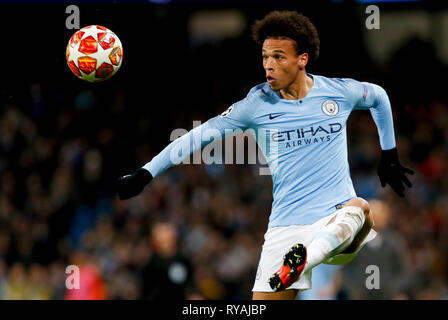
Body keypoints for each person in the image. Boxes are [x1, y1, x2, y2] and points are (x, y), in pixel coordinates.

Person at [116, 10, 413, 300]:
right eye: (265, 57)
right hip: (286, 225)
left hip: (334, 220)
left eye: (278, 57)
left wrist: (389, 153)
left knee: (359, 208)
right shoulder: (256, 105)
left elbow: (378, 96)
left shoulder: (337, 93)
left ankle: (305, 259)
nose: (268, 65)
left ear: (302, 60)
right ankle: (297, 262)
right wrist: (146, 173)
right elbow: (197, 136)